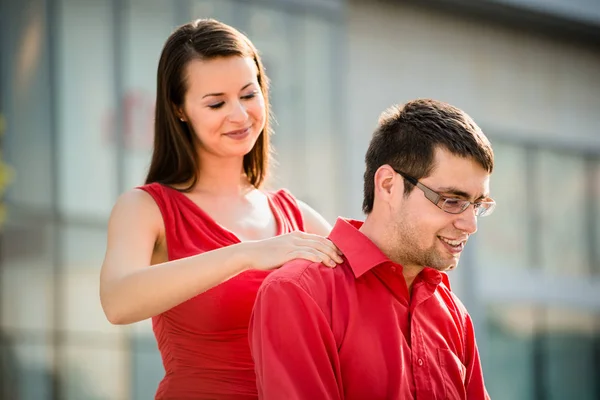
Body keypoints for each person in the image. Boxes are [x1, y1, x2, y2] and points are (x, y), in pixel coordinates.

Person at [99, 18, 344, 400]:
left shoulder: (298, 216)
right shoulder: (146, 207)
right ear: (179, 109)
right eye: (216, 103)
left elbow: (366, 304)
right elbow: (117, 302)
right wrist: (248, 254)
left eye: (249, 95)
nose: (240, 115)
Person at [249, 99, 494, 400]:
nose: (470, 224)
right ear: (389, 185)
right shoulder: (298, 293)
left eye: (478, 205)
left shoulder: (453, 314)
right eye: (452, 201)